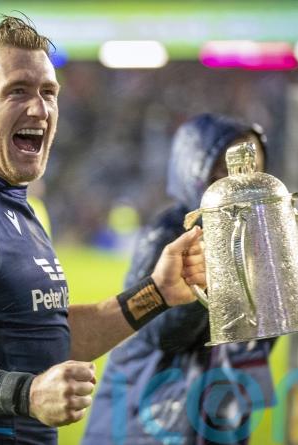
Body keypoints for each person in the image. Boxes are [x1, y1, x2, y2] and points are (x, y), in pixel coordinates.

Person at [0, 16, 206, 445]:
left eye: (48, 92)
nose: (40, 109)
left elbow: (46, 339)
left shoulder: (10, 204)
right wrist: (30, 393)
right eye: (17, 91)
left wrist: (158, 293)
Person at [82, 114, 275, 445]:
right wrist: (209, 285)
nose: (241, 182)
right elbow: (161, 333)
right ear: (196, 169)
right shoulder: (169, 233)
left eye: (252, 170)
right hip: (149, 416)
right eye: (227, 170)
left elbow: (257, 336)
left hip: (214, 414)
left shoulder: (255, 236)